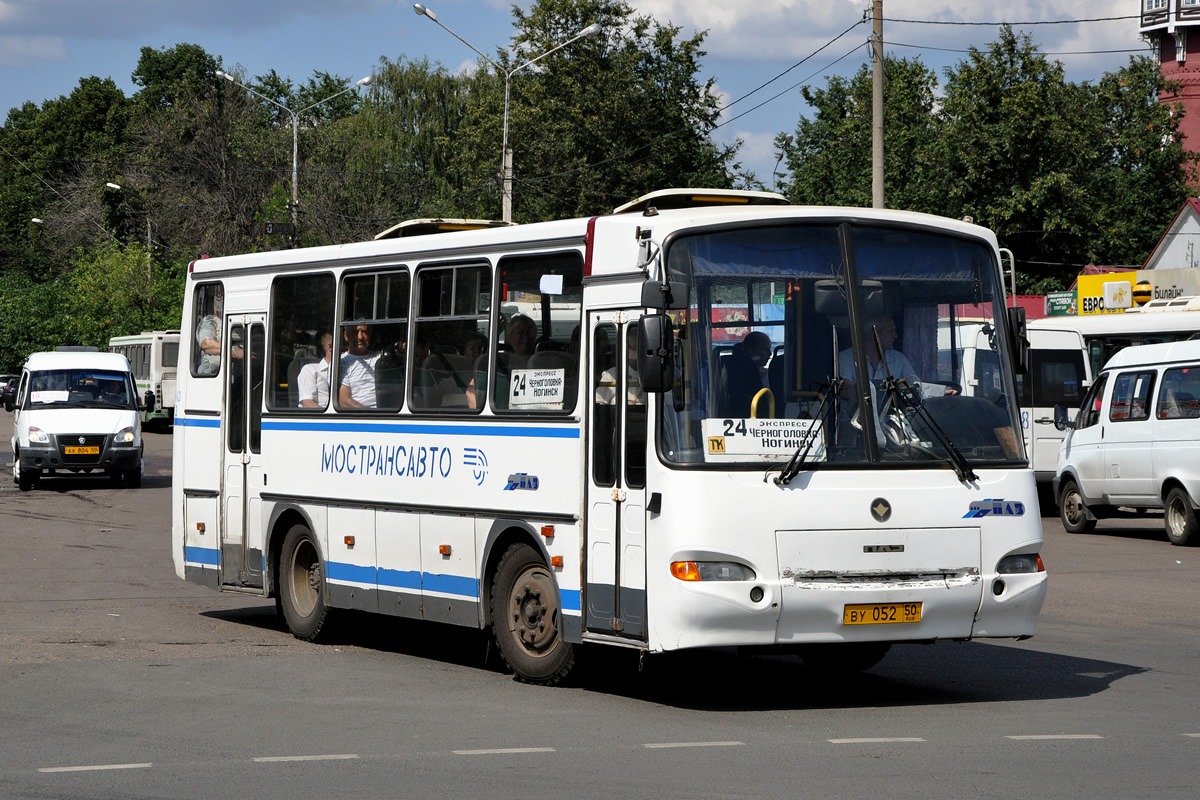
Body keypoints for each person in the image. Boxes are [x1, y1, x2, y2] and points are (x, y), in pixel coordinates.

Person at [722, 330, 772, 418]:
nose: (770, 354)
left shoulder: (770, 374)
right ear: (751, 351)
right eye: (765, 349)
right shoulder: (739, 376)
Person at [195, 285, 241, 375]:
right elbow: (206, 344)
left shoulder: (238, 322)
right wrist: (234, 351)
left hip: (233, 374)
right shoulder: (210, 321)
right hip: (210, 373)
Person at [338, 324, 382, 408]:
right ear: (346, 336)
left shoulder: (380, 358)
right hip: (361, 417)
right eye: (355, 332)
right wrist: (372, 415)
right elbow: (343, 401)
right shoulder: (341, 363)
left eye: (364, 332)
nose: (360, 337)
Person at [297, 333, 334, 408]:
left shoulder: (347, 372)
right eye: (344, 347)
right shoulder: (310, 370)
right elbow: (307, 403)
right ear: (330, 347)